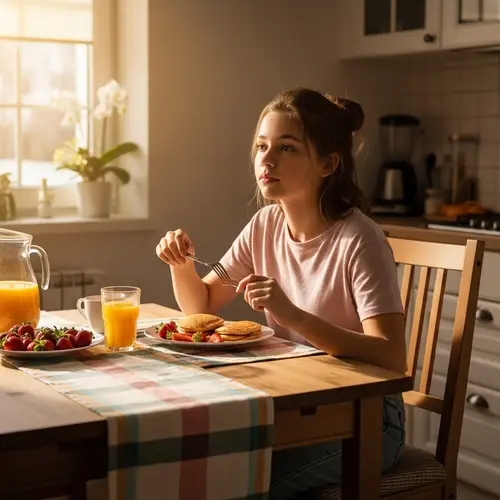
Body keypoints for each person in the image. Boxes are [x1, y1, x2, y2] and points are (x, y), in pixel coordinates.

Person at [156, 88, 406, 499]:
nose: (266, 160)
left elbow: (391, 355)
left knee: (235, 481)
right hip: (297, 405)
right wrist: (180, 265)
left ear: (328, 164)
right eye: (261, 146)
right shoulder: (264, 226)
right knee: (200, 461)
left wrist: (292, 315)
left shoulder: (360, 239)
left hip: (368, 421)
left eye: (287, 148)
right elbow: (200, 304)